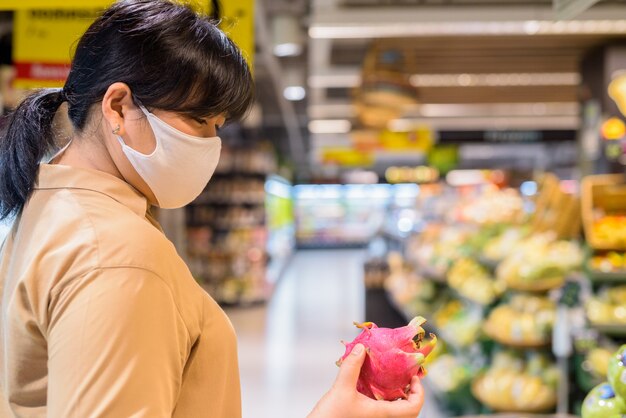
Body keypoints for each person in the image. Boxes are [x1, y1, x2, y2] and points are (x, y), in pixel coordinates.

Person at [0, 1, 424, 417]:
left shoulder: (47, 205)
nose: (210, 147)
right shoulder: (116, 255)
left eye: (217, 128)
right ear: (118, 107)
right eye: (200, 121)